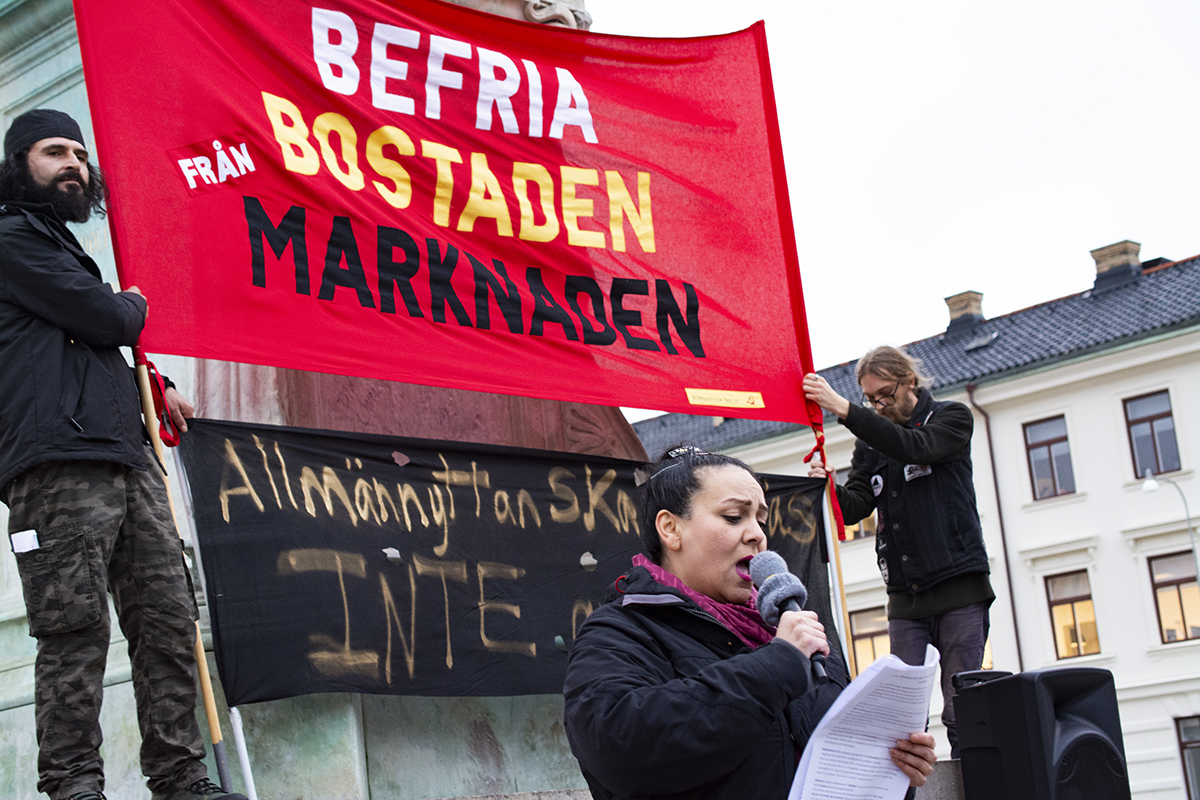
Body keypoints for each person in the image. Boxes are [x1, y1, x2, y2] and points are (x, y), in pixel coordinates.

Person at [0, 109, 244, 800]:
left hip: (126, 457)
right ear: (20, 165)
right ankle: (74, 786)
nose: (74, 163)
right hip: (57, 465)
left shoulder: (60, 250)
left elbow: (88, 346)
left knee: (168, 622)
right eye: (55, 152)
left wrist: (157, 386)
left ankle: (181, 779)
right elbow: (106, 319)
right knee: (73, 628)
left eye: (79, 153)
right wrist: (129, 303)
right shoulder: (12, 238)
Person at [563, 445, 936, 799]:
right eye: (733, 516)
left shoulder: (795, 631)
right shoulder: (621, 631)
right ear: (671, 529)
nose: (757, 534)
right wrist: (777, 665)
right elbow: (615, 746)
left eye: (760, 519)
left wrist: (895, 770)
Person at [803, 345, 993, 758]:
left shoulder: (951, 418)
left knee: (965, 708)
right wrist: (827, 488)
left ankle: (976, 783)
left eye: (885, 394)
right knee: (903, 716)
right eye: (871, 399)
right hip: (906, 597)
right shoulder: (871, 444)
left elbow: (915, 447)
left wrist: (845, 409)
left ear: (910, 382)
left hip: (959, 586)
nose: (879, 405)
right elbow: (854, 508)